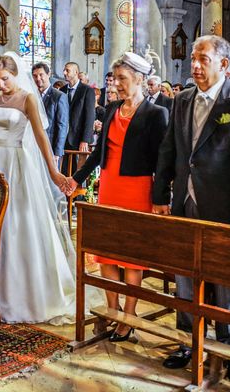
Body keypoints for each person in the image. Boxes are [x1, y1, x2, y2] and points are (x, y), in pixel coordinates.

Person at [152, 35, 230, 384]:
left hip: (225, 206)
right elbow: (169, 149)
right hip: (186, 202)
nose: (196, 65)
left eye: (203, 59)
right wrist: (160, 195)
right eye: (193, 59)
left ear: (224, 65)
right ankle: (189, 342)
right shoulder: (183, 99)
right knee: (186, 276)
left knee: (227, 280)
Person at [0, 52, 82, 324]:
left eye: (5, 79)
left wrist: (53, 171)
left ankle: (22, 293)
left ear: (16, 74)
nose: (1, 84)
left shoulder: (27, 98)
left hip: (17, 163)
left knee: (17, 223)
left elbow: (40, 136)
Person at [66, 52, 168, 342]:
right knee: (107, 253)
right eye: (115, 79)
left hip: (137, 188)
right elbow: (99, 153)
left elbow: (163, 160)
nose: (116, 84)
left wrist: (161, 197)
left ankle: (130, 316)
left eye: (122, 79)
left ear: (138, 79)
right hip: (109, 187)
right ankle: (114, 310)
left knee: (132, 257)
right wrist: (76, 179)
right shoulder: (111, 109)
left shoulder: (155, 113)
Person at [61, 62, 96, 172]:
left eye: (67, 70)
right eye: (64, 70)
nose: (64, 73)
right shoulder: (61, 90)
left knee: (78, 171)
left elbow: (90, 116)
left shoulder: (87, 90)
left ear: (76, 72)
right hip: (63, 138)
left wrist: (85, 140)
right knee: (64, 170)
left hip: (79, 138)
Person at [32, 62, 69, 166]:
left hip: (50, 147)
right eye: (35, 76)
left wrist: (57, 153)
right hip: (32, 146)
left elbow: (62, 126)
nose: (38, 78)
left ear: (48, 74)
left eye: (41, 75)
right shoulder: (31, 96)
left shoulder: (59, 96)